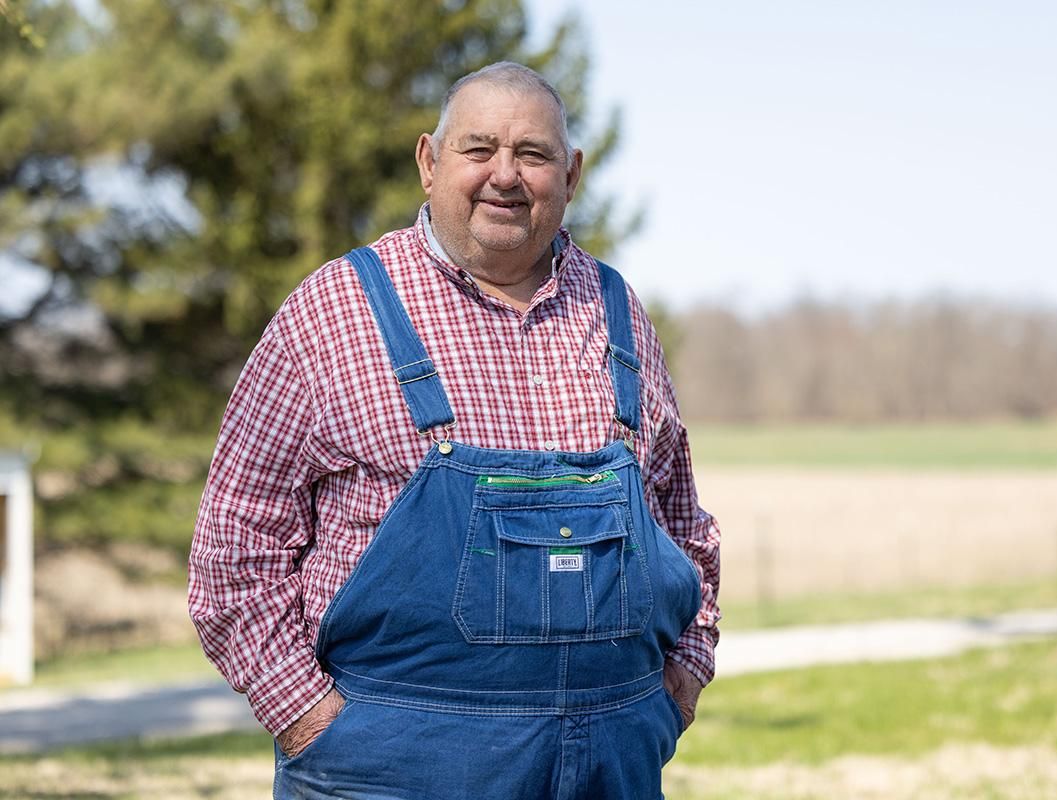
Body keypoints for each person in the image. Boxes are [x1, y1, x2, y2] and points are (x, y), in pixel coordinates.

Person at [188, 61, 721, 799]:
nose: (505, 175)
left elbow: (683, 523)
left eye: (532, 155)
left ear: (570, 174)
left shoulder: (617, 311)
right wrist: (308, 719)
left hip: (610, 763)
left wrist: (680, 682)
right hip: (392, 767)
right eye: (479, 149)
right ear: (429, 162)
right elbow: (233, 550)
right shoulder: (332, 313)